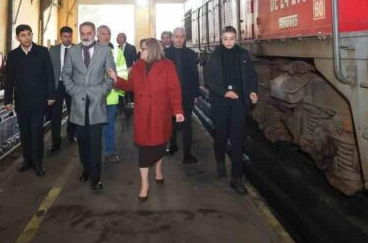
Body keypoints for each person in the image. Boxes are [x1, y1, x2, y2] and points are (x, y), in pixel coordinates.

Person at [108, 38, 184, 203]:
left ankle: (158, 170)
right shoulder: (137, 66)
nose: (140, 52)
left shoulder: (167, 65)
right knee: (144, 150)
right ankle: (144, 185)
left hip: (160, 113)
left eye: (143, 49)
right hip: (143, 113)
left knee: (159, 145)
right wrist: (116, 79)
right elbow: (130, 86)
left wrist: (177, 110)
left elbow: (174, 89)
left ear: (152, 50)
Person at [203, 26, 258, 195]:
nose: (228, 42)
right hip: (221, 101)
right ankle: (220, 159)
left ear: (236, 39)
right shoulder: (214, 56)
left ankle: (237, 178)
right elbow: (209, 80)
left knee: (237, 139)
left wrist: (252, 92)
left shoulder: (243, 55)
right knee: (220, 134)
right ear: (221, 39)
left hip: (239, 102)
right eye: (225, 38)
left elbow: (251, 76)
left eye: (231, 38)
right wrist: (224, 92)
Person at [62, 21, 116, 190]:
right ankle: (85, 169)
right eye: (83, 33)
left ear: (94, 34)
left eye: (89, 33)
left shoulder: (105, 51)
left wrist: (101, 91)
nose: (86, 36)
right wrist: (74, 91)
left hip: (96, 104)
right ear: (80, 34)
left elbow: (111, 76)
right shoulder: (72, 51)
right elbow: (66, 75)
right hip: (78, 103)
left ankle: (96, 177)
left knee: (95, 142)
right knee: (83, 141)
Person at [5, 24, 56, 177]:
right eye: (23, 35)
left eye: (29, 34)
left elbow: (49, 74)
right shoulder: (13, 55)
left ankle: (38, 163)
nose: (26, 38)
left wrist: (51, 95)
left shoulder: (42, 51)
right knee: (25, 132)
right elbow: (9, 80)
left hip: (39, 100)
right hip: (22, 101)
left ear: (32, 35)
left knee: (37, 132)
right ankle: (27, 160)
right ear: (17, 38)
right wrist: (8, 99)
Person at [164, 27, 199, 163]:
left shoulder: (191, 54)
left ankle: (187, 154)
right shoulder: (164, 54)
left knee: (187, 124)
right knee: (171, 122)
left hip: (187, 94)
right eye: (176, 36)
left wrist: (196, 94)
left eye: (182, 37)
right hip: (169, 94)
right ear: (172, 38)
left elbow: (195, 75)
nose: (179, 39)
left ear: (185, 38)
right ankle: (173, 146)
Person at [48, 26, 75, 153]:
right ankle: (56, 144)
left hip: (72, 86)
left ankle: (71, 135)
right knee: (55, 115)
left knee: (73, 114)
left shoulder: (78, 49)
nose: (67, 39)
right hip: (57, 86)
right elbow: (47, 70)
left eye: (70, 36)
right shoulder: (53, 50)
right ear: (61, 37)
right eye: (65, 36)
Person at [97, 25, 121, 163]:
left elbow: (122, 74)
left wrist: (118, 89)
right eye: (103, 33)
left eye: (108, 33)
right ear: (97, 35)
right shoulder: (89, 52)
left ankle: (109, 151)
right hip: (94, 98)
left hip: (111, 97)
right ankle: (93, 153)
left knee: (109, 126)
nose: (106, 36)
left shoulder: (117, 53)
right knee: (93, 127)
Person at [115, 33, 138, 108]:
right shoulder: (116, 48)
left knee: (128, 90)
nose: (116, 39)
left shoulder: (131, 47)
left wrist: (131, 69)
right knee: (120, 89)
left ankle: (129, 105)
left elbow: (135, 60)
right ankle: (121, 106)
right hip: (119, 73)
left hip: (129, 72)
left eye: (118, 38)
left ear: (123, 38)